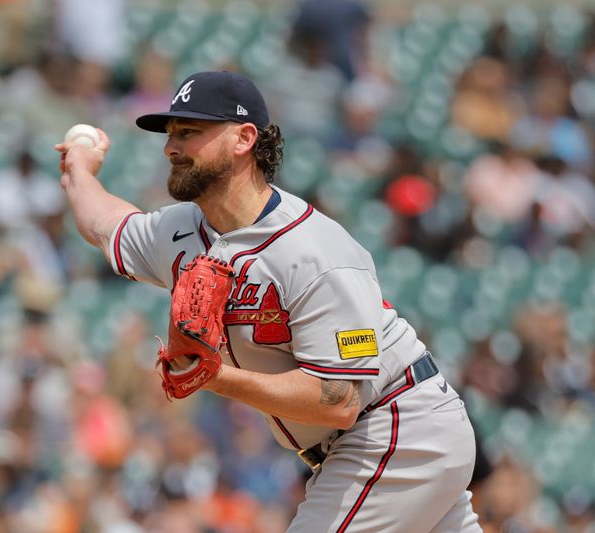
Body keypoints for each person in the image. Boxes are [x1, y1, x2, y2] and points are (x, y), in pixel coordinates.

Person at [55, 70, 482, 532]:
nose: (171, 147)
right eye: (171, 134)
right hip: (366, 443)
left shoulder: (315, 252)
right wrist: (80, 169)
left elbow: (338, 399)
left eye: (189, 132)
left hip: (396, 426)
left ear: (243, 139)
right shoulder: (180, 231)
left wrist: (217, 378)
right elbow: (105, 223)